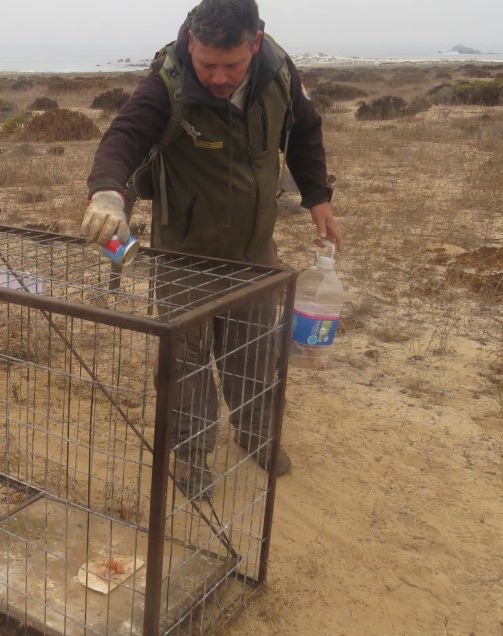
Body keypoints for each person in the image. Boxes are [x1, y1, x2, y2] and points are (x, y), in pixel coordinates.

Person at [80, 0, 342, 498]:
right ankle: (193, 455)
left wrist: (318, 198)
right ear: (191, 45)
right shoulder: (168, 80)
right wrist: (108, 196)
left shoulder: (279, 73)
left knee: (256, 347)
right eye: (208, 65)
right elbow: (124, 136)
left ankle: (256, 434)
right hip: (185, 252)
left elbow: (305, 132)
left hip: (254, 247)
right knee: (188, 358)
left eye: (232, 66)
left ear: (256, 43)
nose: (219, 78)